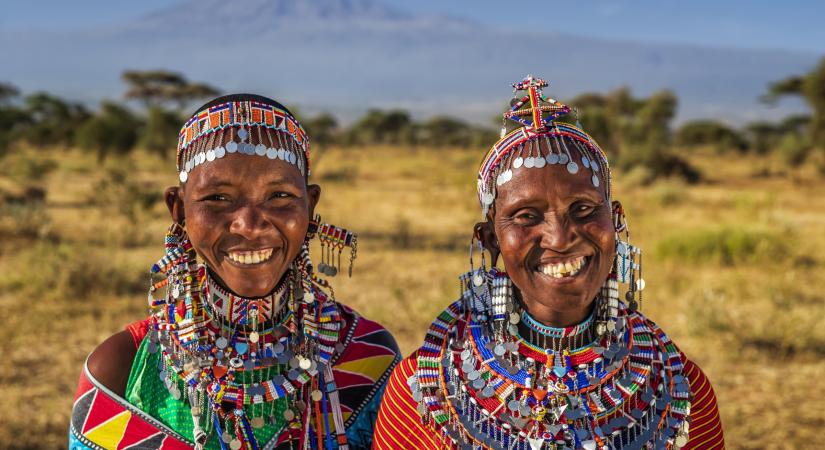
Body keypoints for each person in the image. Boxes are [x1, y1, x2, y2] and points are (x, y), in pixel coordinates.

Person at [373, 76, 724, 449]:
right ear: (490, 239)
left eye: (584, 209)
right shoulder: (425, 390)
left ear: (616, 221)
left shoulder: (675, 386)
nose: (560, 237)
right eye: (526, 216)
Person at [69, 94, 400, 450]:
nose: (249, 225)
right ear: (179, 210)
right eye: (217, 199)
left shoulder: (367, 359)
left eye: (279, 196)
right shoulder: (122, 369)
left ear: (310, 206)